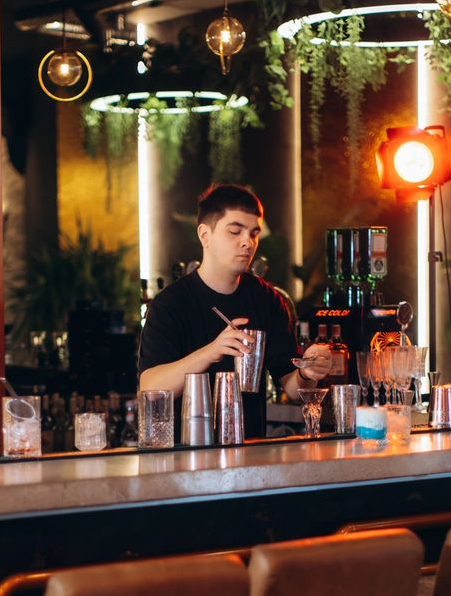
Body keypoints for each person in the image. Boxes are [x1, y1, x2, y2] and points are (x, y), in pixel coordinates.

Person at [138, 183, 330, 439]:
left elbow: (293, 389)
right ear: (205, 235)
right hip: (186, 453)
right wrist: (211, 352)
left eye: (254, 233)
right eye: (234, 231)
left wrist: (308, 371)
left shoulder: (267, 299)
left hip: (249, 449)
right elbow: (150, 388)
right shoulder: (170, 303)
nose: (247, 242)